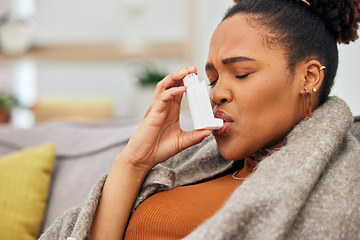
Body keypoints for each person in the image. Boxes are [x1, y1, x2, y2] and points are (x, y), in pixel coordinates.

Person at [40, 0, 360, 239]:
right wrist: (134, 163)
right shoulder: (191, 168)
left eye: (241, 73)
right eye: (213, 79)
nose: (216, 94)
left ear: (309, 77)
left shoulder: (341, 189)